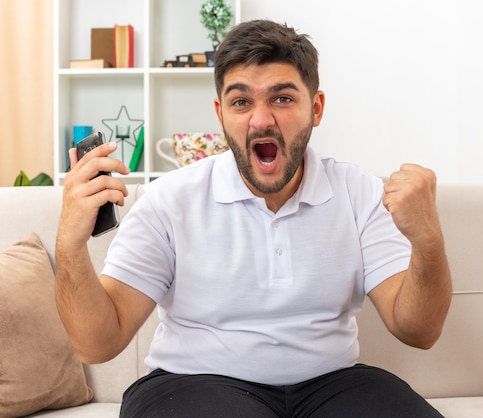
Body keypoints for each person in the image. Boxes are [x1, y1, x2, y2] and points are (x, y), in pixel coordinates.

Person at [55, 19, 452, 418]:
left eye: (281, 99)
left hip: (330, 384)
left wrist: (428, 240)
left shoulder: (359, 193)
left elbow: (419, 330)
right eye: (241, 102)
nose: (261, 120)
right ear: (221, 114)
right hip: (193, 382)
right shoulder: (169, 200)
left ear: (315, 109)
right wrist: (70, 244)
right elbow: (97, 345)